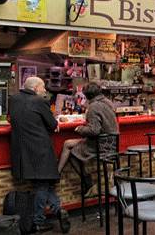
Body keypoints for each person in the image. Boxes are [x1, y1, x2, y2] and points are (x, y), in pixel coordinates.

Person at [9, 77, 70, 233]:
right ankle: (38, 222)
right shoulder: (39, 101)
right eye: (43, 87)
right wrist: (54, 123)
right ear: (36, 88)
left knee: (41, 184)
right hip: (39, 149)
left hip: (21, 151)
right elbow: (53, 124)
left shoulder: (13, 99)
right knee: (42, 185)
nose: (45, 90)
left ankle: (58, 210)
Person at [57, 82, 119, 194]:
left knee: (69, 147)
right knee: (68, 144)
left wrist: (79, 129)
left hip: (100, 145)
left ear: (87, 96)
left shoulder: (93, 107)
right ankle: (59, 173)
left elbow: (94, 130)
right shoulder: (108, 102)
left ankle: (83, 178)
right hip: (112, 143)